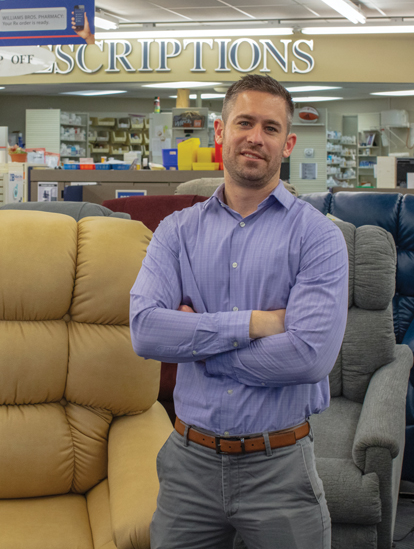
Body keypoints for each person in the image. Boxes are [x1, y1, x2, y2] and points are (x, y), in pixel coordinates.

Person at [129, 74, 348, 549]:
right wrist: (256, 324)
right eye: (244, 122)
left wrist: (195, 345)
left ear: (287, 144)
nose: (255, 137)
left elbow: (308, 358)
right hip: (190, 465)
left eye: (270, 128)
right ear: (219, 133)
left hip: (281, 467)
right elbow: (146, 332)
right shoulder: (175, 231)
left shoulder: (319, 237)